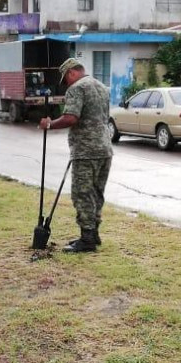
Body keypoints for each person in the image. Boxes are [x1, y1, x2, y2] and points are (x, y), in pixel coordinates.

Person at [38, 58, 113, 253]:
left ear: (71, 72)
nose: (67, 85)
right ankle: (93, 233)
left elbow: (71, 117)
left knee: (82, 193)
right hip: (104, 149)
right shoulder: (102, 87)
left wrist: (50, 124)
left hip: (86, 150)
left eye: (66, 80)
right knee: (96, 193)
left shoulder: (77, 88)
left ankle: (87, 239)